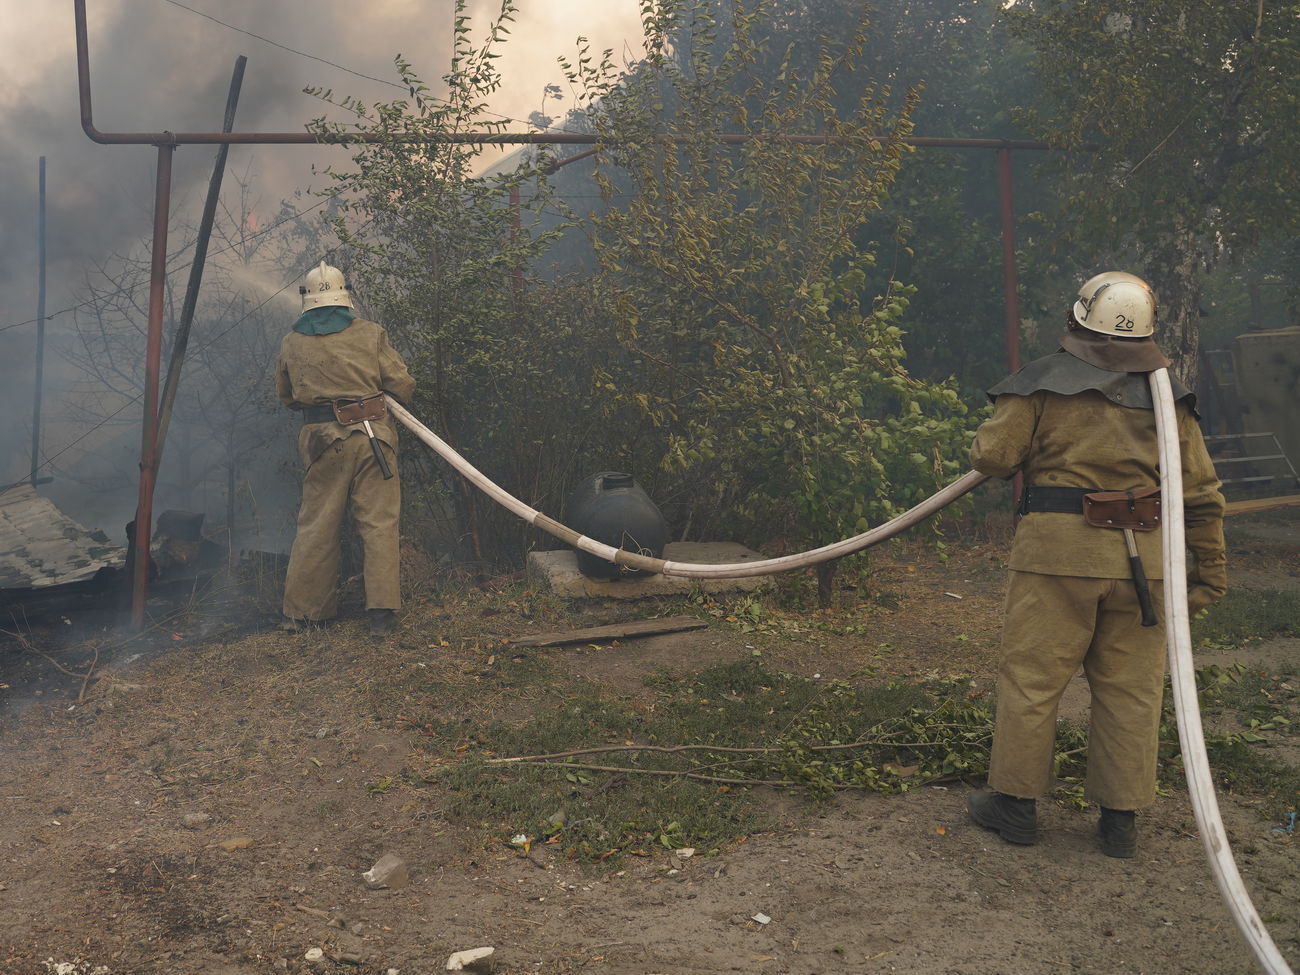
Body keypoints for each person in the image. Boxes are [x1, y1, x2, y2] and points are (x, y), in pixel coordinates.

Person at [966, 271, 1226, 858]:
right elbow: (1203, 492)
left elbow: (993, 456)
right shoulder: (1169, 397)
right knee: (1132, 690)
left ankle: (1016, 808)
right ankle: (1119, 823)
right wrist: (1209, 570)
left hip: (1057, 558)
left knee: (1032, 680)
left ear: (1078, 319)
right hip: (1148, 565)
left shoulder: (1040, 384)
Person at [275, 261, 416, 636]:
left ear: (307, 299)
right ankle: (381, 615)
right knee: (379, 523)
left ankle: (304, 614)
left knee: (317, 525)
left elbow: (287, 396)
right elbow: (401, 385)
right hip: (373, 439)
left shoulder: (291, 342)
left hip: (323, 443)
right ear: (344, 295)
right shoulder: (371, 333)